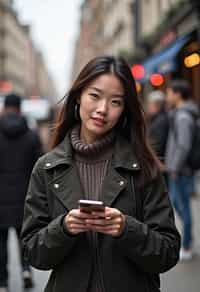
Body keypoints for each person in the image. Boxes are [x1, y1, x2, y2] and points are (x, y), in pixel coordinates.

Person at [21, 56, 180, 292]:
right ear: (78, 97)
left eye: (115, 102)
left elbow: (167, 252)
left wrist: (127, 228)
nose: (102, 109)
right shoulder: (46, 168)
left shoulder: (143, 167)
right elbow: (33, 252)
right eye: (94, 96)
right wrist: (63, 228)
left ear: (125, 110)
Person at [0, 94, 42, 292]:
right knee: (23, 237)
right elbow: (40, 166)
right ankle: (26, 270)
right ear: (19, 108)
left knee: (0, 244)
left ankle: (3, 282)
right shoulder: (31, 134)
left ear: (5, 108)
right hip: (24, 196)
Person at [165, 80, 198, 261]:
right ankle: (188, 241)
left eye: (169, 92)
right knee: (179, 204)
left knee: (183, 207)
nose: (168, 96)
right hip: (179, 169)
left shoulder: (183, 116)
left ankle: (187, 245)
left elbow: (183, 145)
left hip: (181, 171)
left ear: (178, 94)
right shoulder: (180, 113)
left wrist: (175, 167)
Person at [146, 90, 169, 170]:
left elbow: (158, 145)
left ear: (158, 105)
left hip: (161, 163)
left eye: (150, 104)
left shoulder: (160, 121)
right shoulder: (159, 118)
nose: (148, 106)